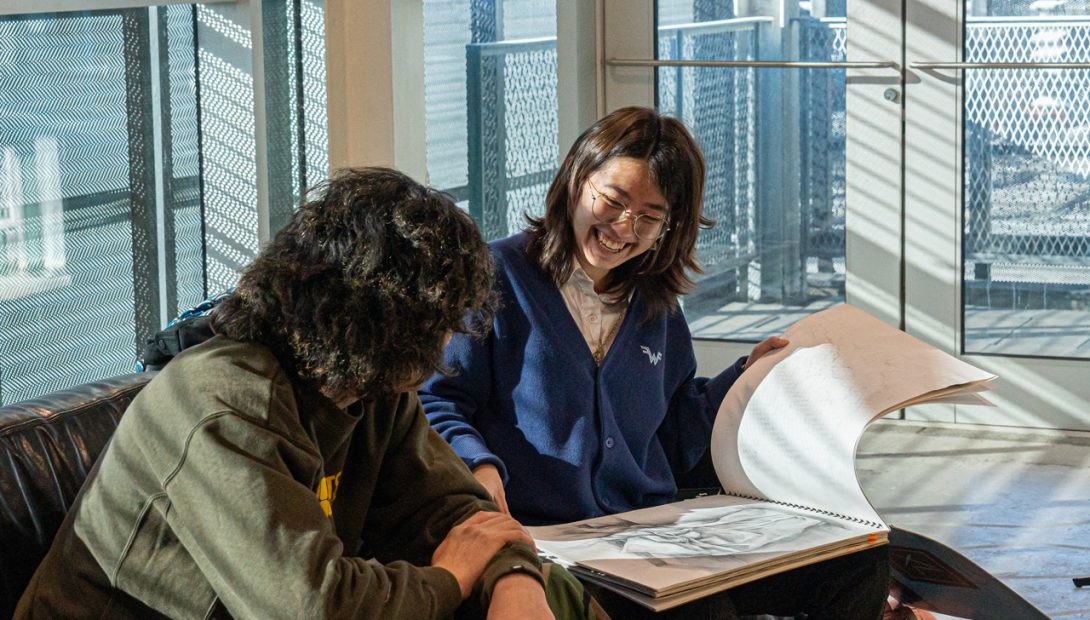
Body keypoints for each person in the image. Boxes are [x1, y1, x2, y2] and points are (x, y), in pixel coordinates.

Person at [15, 168, 598, 620]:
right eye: (440, 322)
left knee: (560, 594)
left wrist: (515, 582)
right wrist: (448, 580)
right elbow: (311, 608)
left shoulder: (372, 388)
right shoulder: (223, 405)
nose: (447, 342)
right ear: (384, 324)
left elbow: (461, 514)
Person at [419, 107, 888, 618]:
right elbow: (436, 399)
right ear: (576, 178)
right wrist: (479, 464)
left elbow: (675, 433)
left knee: (858, 563)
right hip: (550, 542)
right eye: (613, 200)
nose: (624, 227)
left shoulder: (655, 305)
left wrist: (746, 378)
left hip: (650, 535)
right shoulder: (495, 277)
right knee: (704, 613)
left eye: (649, 217)